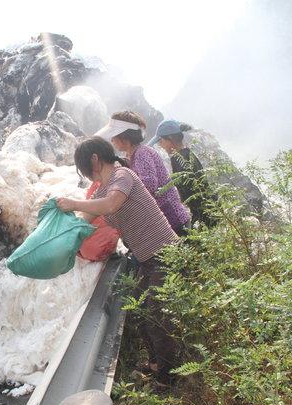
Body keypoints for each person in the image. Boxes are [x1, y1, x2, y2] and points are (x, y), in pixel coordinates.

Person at [57, 137, 180, 385]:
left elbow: (111, 204)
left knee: (156, 314)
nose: (84, 173)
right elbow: (83, 222)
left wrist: (72, 203)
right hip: (148, 258)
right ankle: (158, 364)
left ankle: (168, 378)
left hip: (165, 252)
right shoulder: (102, 190)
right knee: (140, 311)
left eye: (82, 166)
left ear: (94, 159)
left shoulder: (122, 175)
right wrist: (55, 239)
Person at [95, 111, 191, 234]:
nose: (112, 140)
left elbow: (149, 184)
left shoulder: (142, 153)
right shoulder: (131, 156)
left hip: (172, 218)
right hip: (162, 218)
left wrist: (121, 196)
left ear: (125, 138)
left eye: (114, 136)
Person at [149, 119, 217, 228]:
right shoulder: (188, 153)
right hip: (211, 208)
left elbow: (191, 192)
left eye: (161, 141)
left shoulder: (179, 160)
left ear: (170, 138)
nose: (161, 145)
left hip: (204, 214)